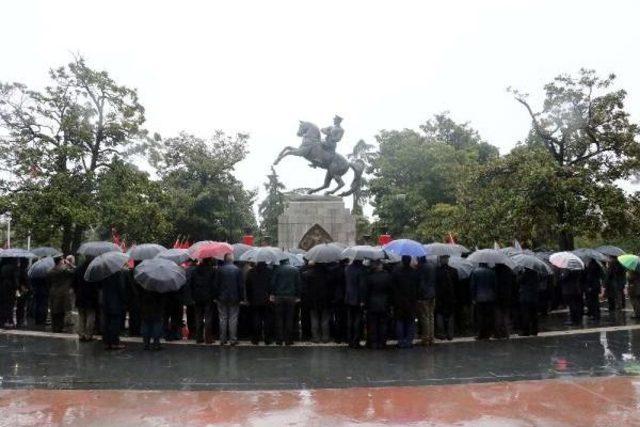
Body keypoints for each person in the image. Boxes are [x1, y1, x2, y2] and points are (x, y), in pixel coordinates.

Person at [215, 253, 244, 346]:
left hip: (222, 298)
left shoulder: (220, 270)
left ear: (224, 260)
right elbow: (240, 286)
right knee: (233, 319)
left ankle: (222, 339)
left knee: (222, 318)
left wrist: (216, 297)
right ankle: (233, 339)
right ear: (232, 260)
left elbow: (216, 285)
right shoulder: (238, 270)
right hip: (234, 298)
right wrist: (241, 298)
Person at [270, 259, 301, 345]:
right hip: (291, 297)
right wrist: (298, 296)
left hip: (279, 297)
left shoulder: (277, 270)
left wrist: (272, 294)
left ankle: (279, 340)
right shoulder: (295, 270)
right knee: (289, 318)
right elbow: (298, 284)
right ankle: (288, 340)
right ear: (288, 261)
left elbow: (273, 283)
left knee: (279, 318)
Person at [364, 259, 393, 349]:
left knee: (373, 324)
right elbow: (391, 291)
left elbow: (366, 292)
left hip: (372, 303)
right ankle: (382, 342)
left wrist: (365, 303)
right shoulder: (387, 276)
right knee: (383, 323)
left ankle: (374, 342)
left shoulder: (369, 277)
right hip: (384, 303)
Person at [392, 255, 419, 349]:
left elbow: (393, 287)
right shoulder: (414, 273)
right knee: (410, 321)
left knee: (400, 321)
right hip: (411, 301)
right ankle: (409, 341)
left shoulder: (396, 272)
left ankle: (401, 341)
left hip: (399, 301)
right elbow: (416, 287)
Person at [301, 262, 331, 343]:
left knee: (314, 319)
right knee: (325, 319)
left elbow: (306, 289)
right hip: (325, 300)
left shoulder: (308, 274)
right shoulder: (328, 274)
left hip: (313, 301)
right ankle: (325, 337)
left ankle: (315, 337)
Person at [245, 261, 274, 345]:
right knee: (267, 320)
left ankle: (255, 339)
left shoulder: (251, 272)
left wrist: (249, 299)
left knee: (256, 319)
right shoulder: (270, 272)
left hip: (254, 299)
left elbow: (248, 286)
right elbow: (272, 285)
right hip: (267, 299)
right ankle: (267, 339)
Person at [189, 258, 216, 344]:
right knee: (208, 317)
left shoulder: (195, 270)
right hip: (208, 297)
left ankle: (198, 337)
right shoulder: (212, 270)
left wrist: (192, 295)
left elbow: (191, 283)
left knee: (198, 317)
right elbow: (214, 284)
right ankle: (208, 338)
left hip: (197, 297)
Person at [72, 256, 99, 341]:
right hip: (91, 296)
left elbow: (74, 283)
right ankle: (88, 334)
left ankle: (81, 334)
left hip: (80, 295)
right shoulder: (94, 270)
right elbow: (97, 284)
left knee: (81, 315)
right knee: (90, 315)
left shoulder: (78, 268)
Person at [101, 269, 127, 350]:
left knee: (107, 322)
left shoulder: (103, 273)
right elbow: (121, 288)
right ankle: (114, 342)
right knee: (115, 323)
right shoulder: (118, 273)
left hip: (105, 301)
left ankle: (107, 342)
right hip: (116, 302)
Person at [471, 262, 497, 340]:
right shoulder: (492, 272)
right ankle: (487, 334)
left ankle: (480, 334)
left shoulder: (475, 272)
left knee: (480, 317)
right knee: (488, 316)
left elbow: (473, 286)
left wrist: (473, 297)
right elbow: (495, 285)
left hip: (479, 297)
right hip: (490, 297)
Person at [48, 256, 74, 333]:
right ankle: (59, 327)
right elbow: (75, 271)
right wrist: (70, 264)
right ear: (60, 261)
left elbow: (48, 283)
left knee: (54, 311)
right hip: (63, 293)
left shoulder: (50, 271)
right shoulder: (64, 271)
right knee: (61, 311)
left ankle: (54, 327)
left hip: (53, 292)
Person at [435, 255, 458, 341]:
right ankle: (450, 334)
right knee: (451, 315)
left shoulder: (436, 271)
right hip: (451, 297)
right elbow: (457, 285)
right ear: (448, 260)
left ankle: (441, 333)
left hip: (440, 297)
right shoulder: (454, 271)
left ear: (440, 260)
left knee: (440, 314)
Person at [344, 259, 366, 348]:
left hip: (348, 297)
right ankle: (355, 341)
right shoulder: (361, 271)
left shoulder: (347, 269)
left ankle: (349, 340)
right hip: (357, 298)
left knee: (350, 319)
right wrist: (362, 300)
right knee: (357, 320)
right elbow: (362, 286)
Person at [416, 256, 436, 346]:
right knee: (431, 316)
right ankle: (432, 337)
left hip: (424, 295)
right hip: (432, 294)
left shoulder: (421, 268)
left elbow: (420, 283)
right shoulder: (432, 266)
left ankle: (426, 338)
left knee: (425, 317)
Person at [139, 285, 165, 351]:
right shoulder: (160, 284)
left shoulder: (144, 282)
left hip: (145, 306)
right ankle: (156, 343)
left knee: (146, 324)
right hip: (157, 307)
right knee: (157, 324)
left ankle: (146, 343)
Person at [494, 264, 515, 339]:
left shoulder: (495, 271)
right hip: (507, 295)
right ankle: (507, 333)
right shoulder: (509, 271)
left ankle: (498, 333)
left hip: (498, 296)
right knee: (506, 314)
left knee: (498, 315)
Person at [518, 268, 540, 336]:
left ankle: (526, 331)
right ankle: (534, 330)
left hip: (525, 297)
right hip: (534, 297)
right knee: (534, 314)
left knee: (525, 314)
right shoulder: (536, 274)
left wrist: (520, 273)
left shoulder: (525, 274)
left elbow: (519, 280)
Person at [0, 258, 18, 327]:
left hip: (2, 287)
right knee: (10, 305)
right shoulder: (13, 268)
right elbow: (15, 280)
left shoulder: (1, 266)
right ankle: (10, 321)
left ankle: (2, 321)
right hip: (10, 288)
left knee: (2, 305)